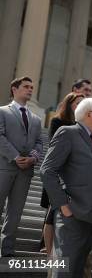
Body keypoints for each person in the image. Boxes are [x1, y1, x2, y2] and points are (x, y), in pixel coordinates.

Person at [40, 98, 92, 278]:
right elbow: (47, 170)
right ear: (89, 114)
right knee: (63, 271)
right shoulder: (68, 133)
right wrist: (63, 206)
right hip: (72, 215)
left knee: (78, 271)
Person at [0, 76, 43, 257]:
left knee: (15, 212)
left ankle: (7, 249)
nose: (30, 90)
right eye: (26, 86)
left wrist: (33, 158)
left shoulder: (36, 119)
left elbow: (40, 143)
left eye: (32, 87)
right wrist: (16, 156)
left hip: (25, 171)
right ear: (14, 89)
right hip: (4, 167)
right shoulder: (2, 111)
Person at [39, 92, 84, 254]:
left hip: (76, 176)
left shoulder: (84, 125)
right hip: (59, 173)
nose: (80, 105)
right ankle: (46, 245)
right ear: (69, 104)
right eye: (77, 102)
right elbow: (54, 145)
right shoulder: (58, 121)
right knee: (52, 211)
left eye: (82, 103)